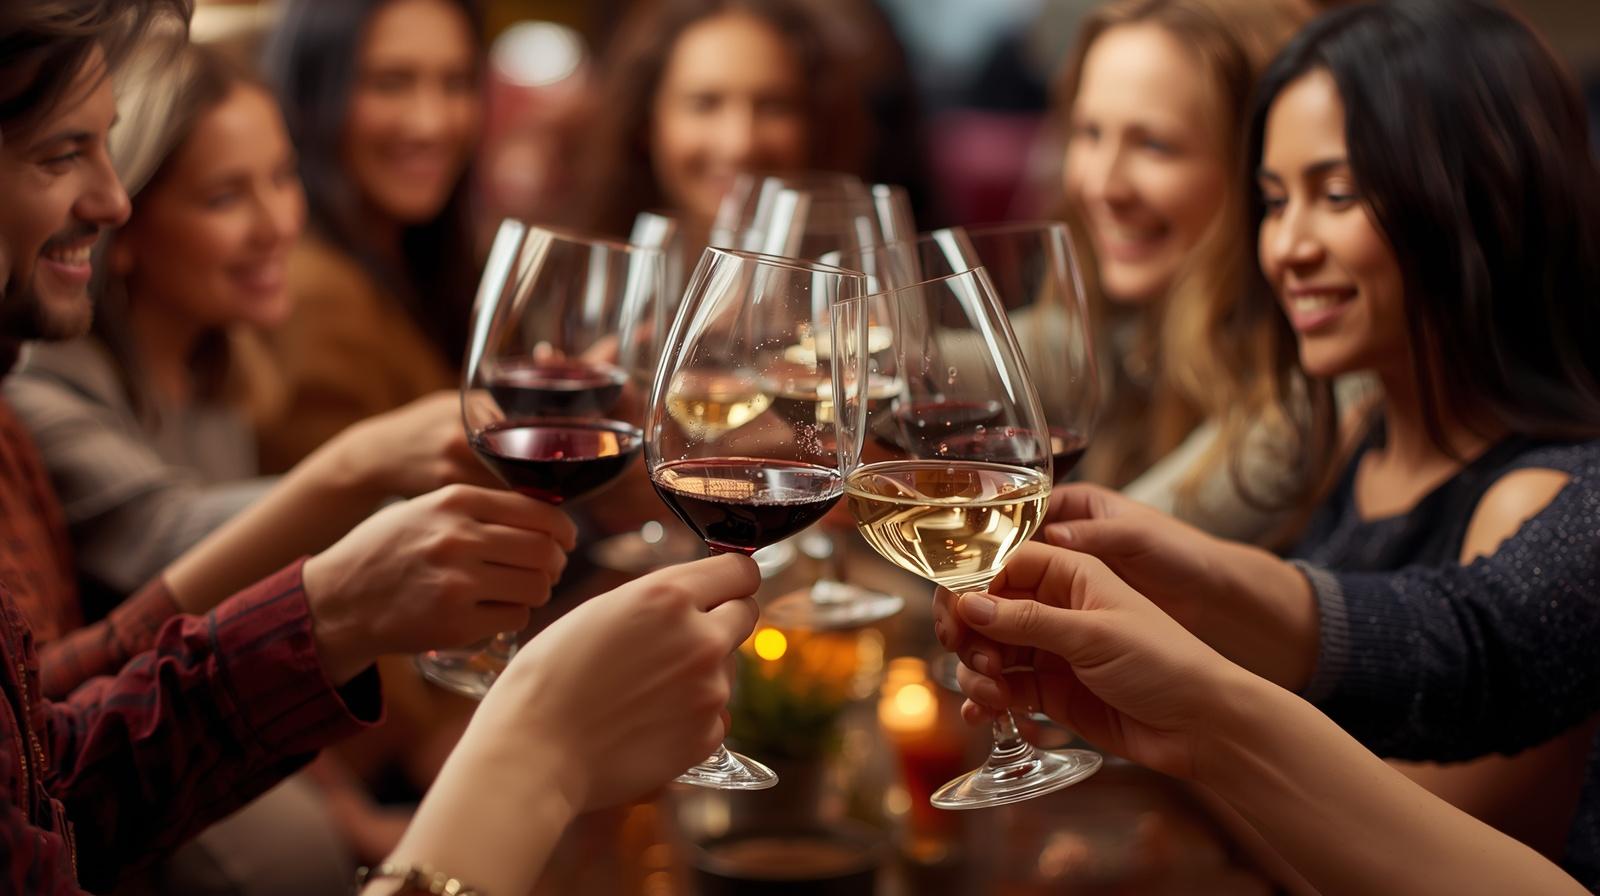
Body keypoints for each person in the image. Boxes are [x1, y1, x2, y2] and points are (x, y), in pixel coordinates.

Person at [0, 3, 627, 890]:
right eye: (224, 196)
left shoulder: (222, 369)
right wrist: (363, 476)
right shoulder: (40, 386)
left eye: (281, 179)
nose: (278, 226)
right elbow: (166, 558)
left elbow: (65, 753)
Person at [993, 0, 1600, 880]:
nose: (1287, 247)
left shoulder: (1534, 495)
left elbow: (1409, 852)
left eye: (1337, 195)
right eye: (1274, 203)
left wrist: (1189, 711)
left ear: (1479, 197)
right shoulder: (1359, 432)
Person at [933, 542, 1589, 896]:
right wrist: (1201, 586)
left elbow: (1479, 648)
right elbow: (1471, 627)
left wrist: (1204, 726)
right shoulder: (1356, 425)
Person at [1055, 0, 1324, 543]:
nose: (1103, 185)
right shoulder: (1137, 328)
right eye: (1089, 132)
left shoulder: (1310, 396)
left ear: (1262, 173)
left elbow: (1100, 556)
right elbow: (942, 358)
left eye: (1154, 144)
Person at [253, 0, 483, 471]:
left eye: (456, 83)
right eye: (390, 83)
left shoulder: (409, 256)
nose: (432, 122)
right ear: (312, 93)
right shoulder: (312, 293)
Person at [574, 0, 869, 253]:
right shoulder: (584, 284)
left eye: (773, 105)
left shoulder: (857, 297)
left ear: (815, 123)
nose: (740, 143)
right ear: (645, 121)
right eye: (705, 103)